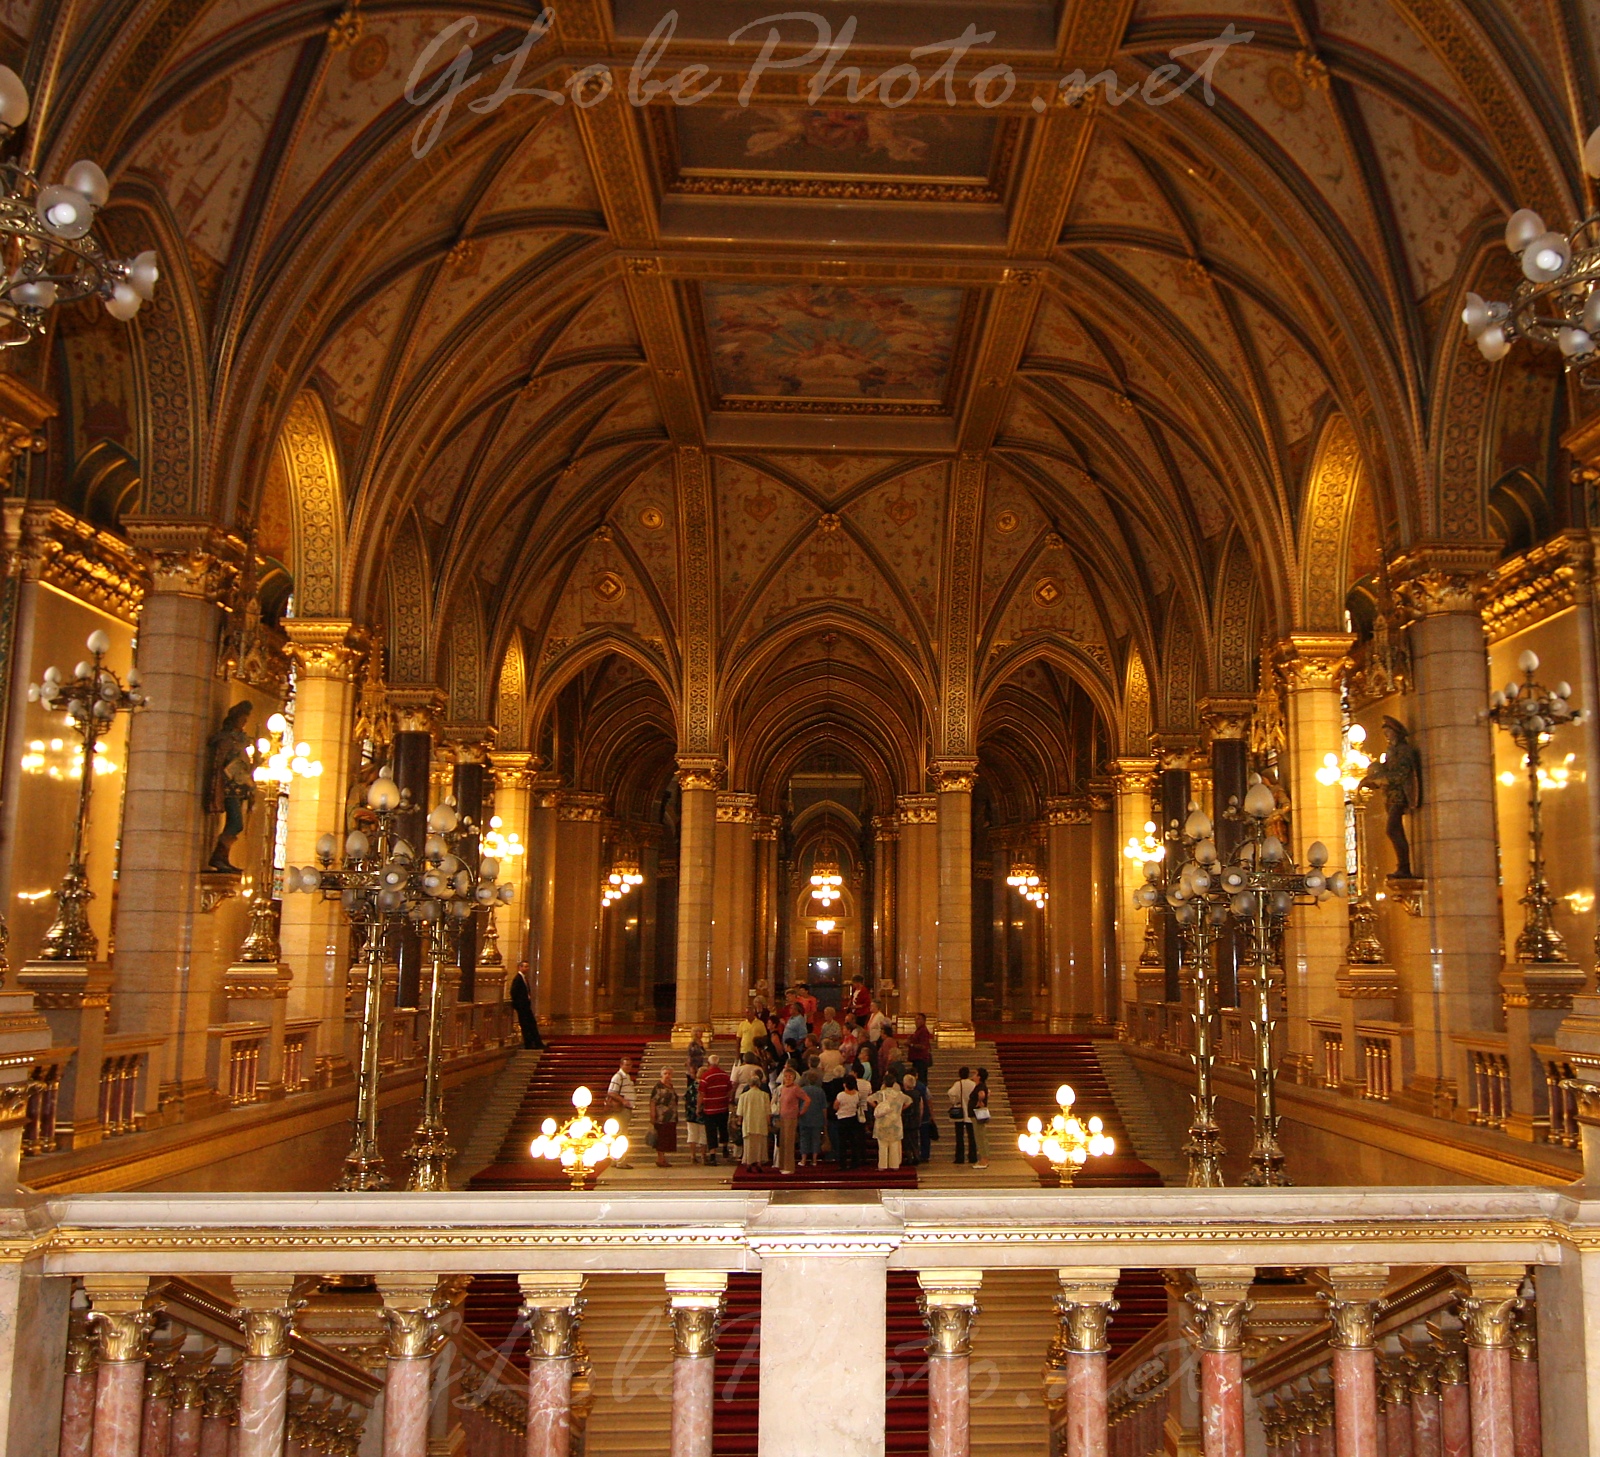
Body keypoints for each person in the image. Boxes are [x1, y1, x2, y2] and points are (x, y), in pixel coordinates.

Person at [204, 702, 256, 873]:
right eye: (242, 719)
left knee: (236, 823)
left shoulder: (242, 740)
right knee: (236, 823)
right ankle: (219, 855)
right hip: (230, 786)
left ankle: (222, 856)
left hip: (239, 787)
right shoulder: (227, 739)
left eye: (245, 720)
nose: (243, 723)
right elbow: (224, 762)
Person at [868, 1076, 912, 1170]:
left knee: (882, 1145)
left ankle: (882, 1165)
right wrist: (899, 1109)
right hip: (895, 1122)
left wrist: (877, 1106)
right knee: (894, 1145)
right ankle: (894, 1165)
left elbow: (869, 1099)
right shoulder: (899, 1094)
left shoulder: (880, 1094)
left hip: (882, 1122)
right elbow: (909, 1101)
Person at [775, 1067, 810, 1175]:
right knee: (783, 1141)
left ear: (794, 1078)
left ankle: (789, 1167)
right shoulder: (783, 1088)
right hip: (782, 1117)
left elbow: (807, 1099)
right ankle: (782, 1165)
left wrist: (801, 1111)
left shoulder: (796, 1088)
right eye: (786, 1076)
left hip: (791, 1117)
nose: (788, 1078)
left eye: (790, 1076)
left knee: (789, 1142)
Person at [699, 1054, 731, 1163]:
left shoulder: (705, 1076)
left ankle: (712, 1155)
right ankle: (725, 1148)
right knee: (723, 1128)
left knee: (711, 1131)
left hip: (709, 1109)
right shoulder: (725, 1075)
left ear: (708, 1064)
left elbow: (701, 1094)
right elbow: (729, 1090)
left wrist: (698, 1107)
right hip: (723, 1106)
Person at [736, 1073, 772, 1170]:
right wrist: (768, 1123)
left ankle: (748, 1162)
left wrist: (739, 1122)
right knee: (760, 1143)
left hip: (748, 1122)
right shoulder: (764, 1095)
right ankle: (759, 1162)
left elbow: (740, 1112)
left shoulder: (744, 1096)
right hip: (761, 1122)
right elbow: (768, 1111)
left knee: (749, 1143)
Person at [606, 1056, 636, 1167]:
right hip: (621, 1110)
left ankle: (615, 1160)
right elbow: (611, 1092)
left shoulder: (626, 1077)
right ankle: (621, 1161)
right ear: (621, 1065)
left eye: (630, 1065)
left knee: (620, 1134)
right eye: (626, 1065)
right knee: (622, 1135)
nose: (628, 1067)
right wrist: (623, 1100)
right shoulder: (618, 1077)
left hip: (626, 1109)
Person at [508, 960, 543, 1050]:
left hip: (525, 1006)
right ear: (520, 967)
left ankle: (536, 1043)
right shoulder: (518, 978)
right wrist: (519, 1004)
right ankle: (530, 1044)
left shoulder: (523, 978)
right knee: (526, 1025)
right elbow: (513, 992)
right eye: (525, 966)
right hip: (522, 1006)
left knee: (531, 1024)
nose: (527, 968)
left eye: (527, 966)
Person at [833, 1074, 865, 1170]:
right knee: (853, 1142)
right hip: (853, 1119)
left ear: (845, 1084)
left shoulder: (841, 1095)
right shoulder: (857, 1094)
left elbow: (835, 1106)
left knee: (842, 1143)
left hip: (842, 1119)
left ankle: (843, 1164)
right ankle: (854, 1163)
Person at [797, 1068, 827, 1167]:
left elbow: (799, 1104)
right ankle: (814, 1159)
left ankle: (803, 1159)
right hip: (817, 1118)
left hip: (804, 1117)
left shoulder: (802, 1090)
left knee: (804, 1138)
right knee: (816, 1139)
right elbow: (824, 1107)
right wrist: (825, 1120)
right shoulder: (820, 1091)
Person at [948, 1066, 977, 1165]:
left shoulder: (958, 1084)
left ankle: (959, 1157)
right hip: (971, 1113)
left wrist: (955, 1102)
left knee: (959, 1136)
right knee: (972, 1136)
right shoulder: (973, 1084)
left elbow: (951, 1093)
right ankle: (973, 1156)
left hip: (960, 1113)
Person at [650, 1069, 678, 1168]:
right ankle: (660, 1158)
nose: (667, 1075)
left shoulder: (671, 1086)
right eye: (665, 1073)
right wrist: (653, 1115)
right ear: (661, 1075)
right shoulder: (658, 1087)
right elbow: (653, 1101)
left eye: (669, 1073)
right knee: (661, 1138)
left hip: (671, 1117)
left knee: (667, 1137)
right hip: (661, 1116)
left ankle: (663, 1158)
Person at [969, 1068, 992, 1170]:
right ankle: (984, 1158)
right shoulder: (980, 1086)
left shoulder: (980, 1087)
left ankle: (984, 1159)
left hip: (978, 1113)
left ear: (979, 1077)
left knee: (980, 1136)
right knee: (981, 1135)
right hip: (977, 1113)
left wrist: (980, 1101)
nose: (973, 1075)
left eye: (975, 1074)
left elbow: (982, 1094)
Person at [683, 1064, 706, 1166]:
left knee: (692, 1135)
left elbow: (686, 1098)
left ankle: (693, 1156)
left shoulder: (691, 1086)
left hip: (690, 1113)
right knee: (703, 1135)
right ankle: (703, 1156)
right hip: (703, 1113)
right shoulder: (705, 1086)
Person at [908, 1012, 933, 1085]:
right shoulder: (918, 1030)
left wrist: (911, 1044)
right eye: (915, 1019)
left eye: (918, 1019)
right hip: (916, 1058)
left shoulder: (923, 1031)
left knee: (921, 1079)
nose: (916, 1021)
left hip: (921, 1059)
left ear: (924, 1021)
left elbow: (923, 1045)